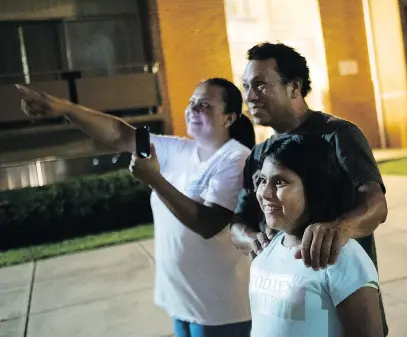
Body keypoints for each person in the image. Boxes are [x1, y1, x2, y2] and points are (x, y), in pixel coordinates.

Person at [17, 77, 254, 337]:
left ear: (228, 118)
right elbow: (120, 134)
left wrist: (154, 179)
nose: (193, 109)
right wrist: (66, 109)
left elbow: (208, 224)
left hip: (219, 310)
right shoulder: (181, 150)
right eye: (192, 102)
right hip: (181, 301)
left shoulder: (235, 158)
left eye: (205, 105)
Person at [230, 42, 389, 334]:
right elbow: (239, 222)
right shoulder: (260, 154)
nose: (250, 96)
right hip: (286, 299)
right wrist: (253, 239)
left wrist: (339, 229)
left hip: (341, 298)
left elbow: (376, 205)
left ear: (294, 87)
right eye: (245, 86)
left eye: (261, 85)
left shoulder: (338, 134)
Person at [250, 133, 383, 337]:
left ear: (314, 188)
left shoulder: (339, 256)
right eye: (262, 180)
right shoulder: (269, 246)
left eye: (280, 182)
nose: (265, 193)